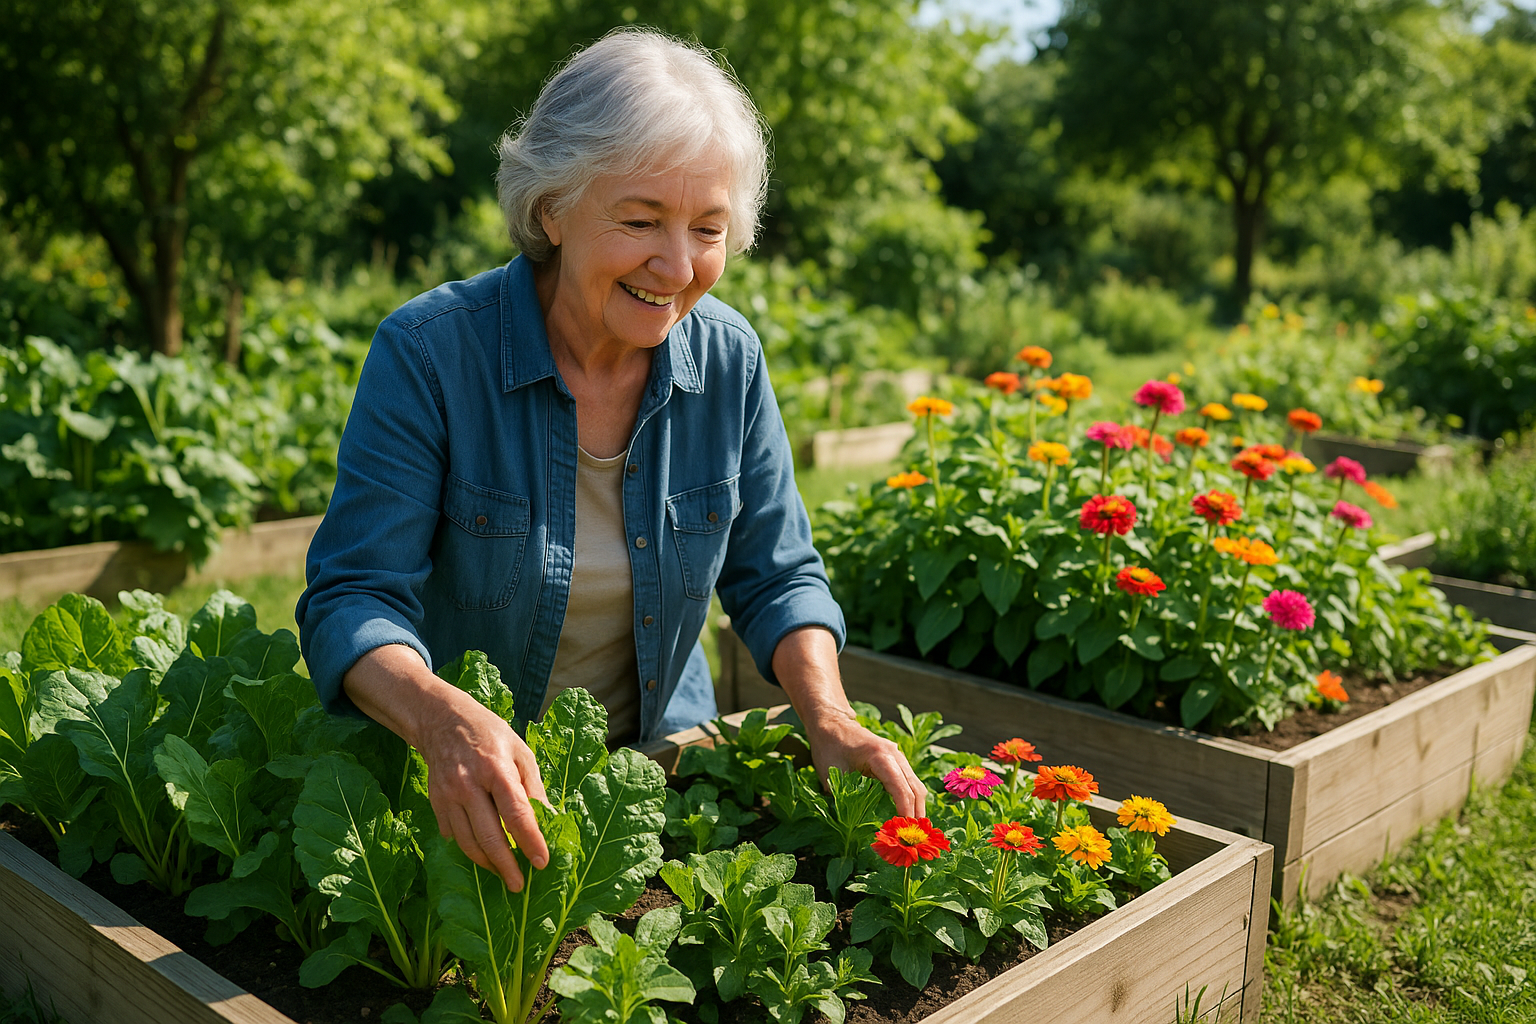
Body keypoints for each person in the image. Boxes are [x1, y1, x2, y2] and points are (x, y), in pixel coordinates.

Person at [297, 28, 924, 895]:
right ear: (552, 209)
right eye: (640, 221)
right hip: (462, 795)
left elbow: (778, 575)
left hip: (658, 774)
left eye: (707, 229)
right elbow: (353, 597)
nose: (677, 266)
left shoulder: (729, 361)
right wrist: (442, 722)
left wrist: (831, 715)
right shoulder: (432, 354)